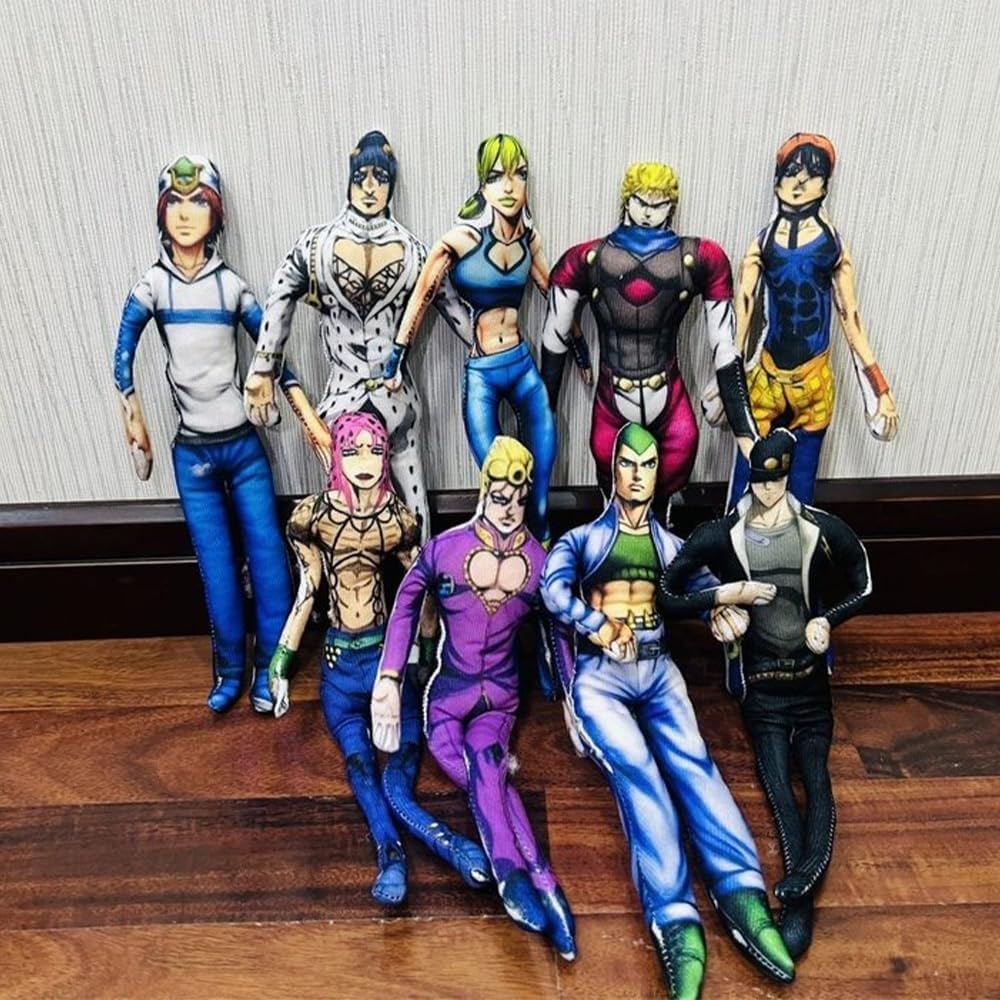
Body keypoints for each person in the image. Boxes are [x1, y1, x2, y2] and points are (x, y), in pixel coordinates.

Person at [540, 422, 794, 999]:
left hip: (658, 668)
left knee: (695, 765)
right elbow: (552, 592)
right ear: (612, 470)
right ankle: (675, 920)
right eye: (628, 463)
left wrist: (718, 614)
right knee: (641, 776)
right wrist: (597, 624)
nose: (638, 475)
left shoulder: (671, 547)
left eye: (649, 464)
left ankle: (743, 891)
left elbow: (699, 589)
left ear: (660, 474)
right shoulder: (582, 541)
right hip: (601, 677)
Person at [661, 428, 873, 957]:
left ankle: (801, 886)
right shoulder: (724, 534)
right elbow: (668, 592)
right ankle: (797, 897)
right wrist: (721, 597)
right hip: (761, 683)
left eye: (775, 482)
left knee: (816, 776)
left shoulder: (817, 529)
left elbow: (863, 581)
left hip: (809, 678)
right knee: (777, 784)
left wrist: (829, 618)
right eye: (759, 481)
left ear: (788, 478)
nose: (767, 491)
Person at [268, 412, 489, 905]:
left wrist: (429, 653)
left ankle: (442, 845)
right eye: (352, 451)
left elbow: (420, 589)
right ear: (336, 457)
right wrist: (282, 659)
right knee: (361, 769)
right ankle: (394, 855)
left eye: (374, 450)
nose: (364, 461)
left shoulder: (397, 521)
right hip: (338, 671)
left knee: (400, 774)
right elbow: (309, 587)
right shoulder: (315, 518)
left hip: (387, 664)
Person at [371, 436, 576, 960]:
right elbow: (405, 601)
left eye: (519, 500)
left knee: (486, 760)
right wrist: (389, 677)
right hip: (446, 695)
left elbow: (556, 627)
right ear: (485, 490)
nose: (509, 509)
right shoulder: (446, 549)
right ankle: (542, 879)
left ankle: (514, 876)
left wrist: (570, 697)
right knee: (487, 774)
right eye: (500, 497)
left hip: (501, 697)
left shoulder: (539, 561)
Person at [112, 153, 304, 714]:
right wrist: (131, 410)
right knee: (217, 568)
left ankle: (272, 668)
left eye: (198, 202)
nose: (185, 213)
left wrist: (305, 414)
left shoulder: (231, 288)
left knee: (268, 559)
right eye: (175, 202)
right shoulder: (153, 287)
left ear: (216, 213)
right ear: (161, 212)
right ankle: (229, 669)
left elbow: (272, 350)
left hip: (244, 448)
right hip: (191, 453)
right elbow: (122, 354)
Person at [541, 162, 757, 522]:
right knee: (612, 495)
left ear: (671, 206)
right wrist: (544, 408)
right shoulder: (586, 258)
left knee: (675, 469)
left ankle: (660, 540)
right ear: (627, 200)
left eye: (658, 204)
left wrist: (745, 431)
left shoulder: (701, 257)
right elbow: (555, 334)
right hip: (613, 397)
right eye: (641, 201)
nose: (647, 211)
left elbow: (724, 345)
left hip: (668, 396)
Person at [244, 131, 432, 534]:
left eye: (381, 178)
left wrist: (486, 350)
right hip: (340, 403)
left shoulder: (415, 252)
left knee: (415, 509)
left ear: (391, 185)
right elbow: (281, 291)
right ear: (349, 179)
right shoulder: (316, 247)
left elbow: (446, 300)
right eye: (361, 176)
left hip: (397, 402)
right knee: (342, 517)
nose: (370, 187)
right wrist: (263, 366)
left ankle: (424, 575)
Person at [382, 134, 565, 543]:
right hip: (483, 372)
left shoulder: (529, 237)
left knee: (539, 498)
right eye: (497, 176)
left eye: (519, 174)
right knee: (500, 484)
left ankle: (542, 568)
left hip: (523, 366)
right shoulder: (461, 239)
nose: (509, 186)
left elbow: (554, 296)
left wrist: (582, 350)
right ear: (482, 185)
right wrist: (397, 355)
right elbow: (423, 293)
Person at [725, 133, 899, 506]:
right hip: (767, 377)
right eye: (792, 172)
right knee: (746, 477)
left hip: (815, 381)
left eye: (813, 174)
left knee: (802, 487)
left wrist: (879, 390)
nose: (800, 182)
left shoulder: (832, 246)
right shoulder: (762, 244)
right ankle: (730, 541)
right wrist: (727, 382)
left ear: (825, 184)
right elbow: (744, 307)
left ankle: (799, 542)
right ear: (778, 180)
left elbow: (851, 317)